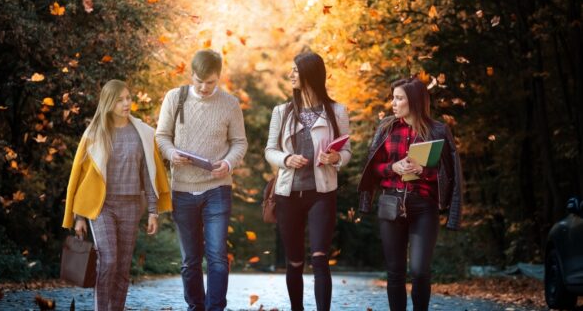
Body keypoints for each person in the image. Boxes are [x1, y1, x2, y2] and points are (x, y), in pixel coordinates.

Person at [62, 79, 171, 311]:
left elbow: (148, 174)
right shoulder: (94, 133)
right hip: (101, 206)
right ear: (108, 103)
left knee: (122, 267)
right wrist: (79, 216)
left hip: (131, 206)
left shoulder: (142, 133)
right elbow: (81, 176)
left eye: (128, 98)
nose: (126, 103)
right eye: (119, 99)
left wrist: (153, 211)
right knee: (108, 260)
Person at [357, 77, 463, 311]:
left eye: (399, 98)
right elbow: (371, 168)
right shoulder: (386, 127)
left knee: (420, 271)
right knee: (394, 272)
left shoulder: (438, 130)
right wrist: (392, 167)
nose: (393, 103)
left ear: (413, 101)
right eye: (393, 98)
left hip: (424, 207)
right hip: (390, 205)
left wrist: (422, 171)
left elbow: (450, 173)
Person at [155, 49, 248, 311]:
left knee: (217, 256)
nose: (205, 88)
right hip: (183, 189)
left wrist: (228, 163)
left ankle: (215, 308)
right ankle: (195, 306)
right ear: (191, 75)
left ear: (218, 78)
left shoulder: (230, 104)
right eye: (199, 81)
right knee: (191, 260)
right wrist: (171, 153)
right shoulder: (175, 98)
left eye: (211, 82)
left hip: (217, 188)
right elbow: (162, 136)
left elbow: (239, 143)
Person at [264, 51, 351, 311]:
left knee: (320, 258)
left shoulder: (337, 111)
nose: (290, 75)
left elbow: (347, 152)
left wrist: (336, 157)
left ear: (310, 74)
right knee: (294, 261)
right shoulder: (281, 112)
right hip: (288, 195)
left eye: (295, 70)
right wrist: (286, 159)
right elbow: (269, 150)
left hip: (322, 194)